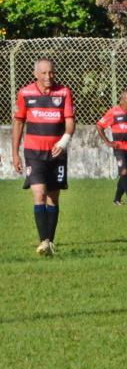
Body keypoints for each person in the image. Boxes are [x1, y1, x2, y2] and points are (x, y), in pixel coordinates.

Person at [12, 57, 74, 255]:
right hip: (34, 152)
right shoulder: (25, 93)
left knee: (53, 198)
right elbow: (19, 123)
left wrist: (63, 142)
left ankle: (50, 241)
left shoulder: (64, 92)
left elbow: (70, 122)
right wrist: (14, 153)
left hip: (57, 154)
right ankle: (44, 241)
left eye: (52, 72)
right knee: (39, 194)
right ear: (36, 74)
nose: (49, 76)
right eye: (44, 73)